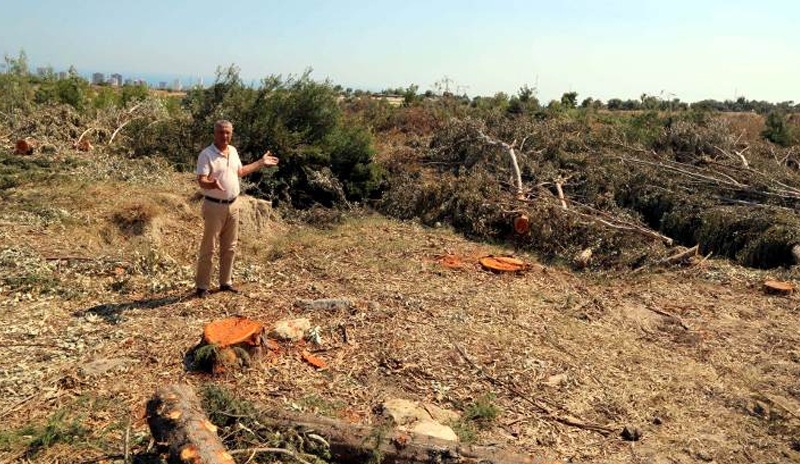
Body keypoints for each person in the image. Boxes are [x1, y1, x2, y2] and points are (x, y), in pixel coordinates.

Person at [194, 120, 279, 298]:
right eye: (220, 132)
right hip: (213, 207)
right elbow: (201, 180)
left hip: (233, 205)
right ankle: (202, 287)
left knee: (230, 247)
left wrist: (261, 162)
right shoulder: (206, 154)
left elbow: (240, 171)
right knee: (209, 247)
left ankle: (225, 283)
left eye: (227, 133)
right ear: (214, 133)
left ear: (231, 133)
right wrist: (210, 184)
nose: (224, 136)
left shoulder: (232, 151)